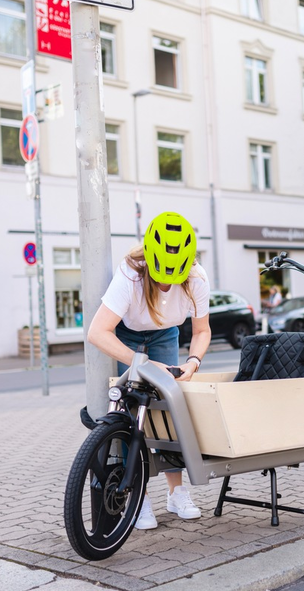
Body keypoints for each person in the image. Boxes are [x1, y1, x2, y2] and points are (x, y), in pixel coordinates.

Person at [87, 211, 212, 530]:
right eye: (160, 274)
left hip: (166, 333)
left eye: (174, 275)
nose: (166, 282)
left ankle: (176, 493)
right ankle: (138, 499)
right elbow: (98, 331)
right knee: (132, 412)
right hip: (125, 335)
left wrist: (192, 363)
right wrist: (140, 363)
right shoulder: (131, 273)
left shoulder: (196, 279)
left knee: (169, 408)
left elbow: (201, 331)